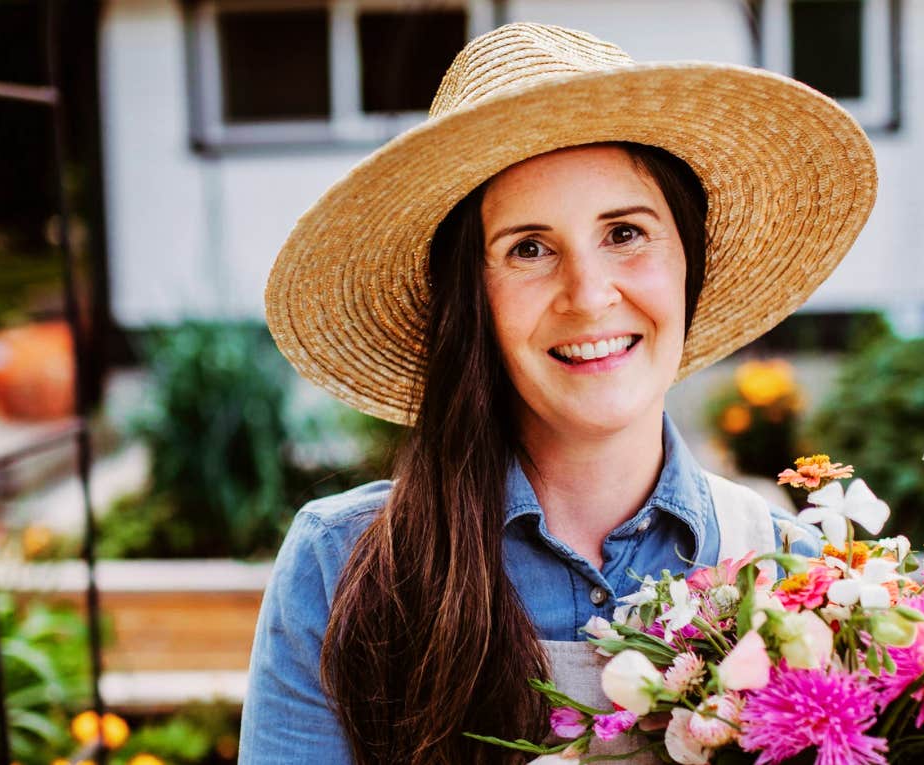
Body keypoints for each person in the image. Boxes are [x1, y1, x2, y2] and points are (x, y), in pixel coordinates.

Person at [240, 21, 876, 765]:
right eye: (529, 249)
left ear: (688, 262)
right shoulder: (342, 569)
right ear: (470, 299)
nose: (588, 293)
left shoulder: (795, 575)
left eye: (626, 232)